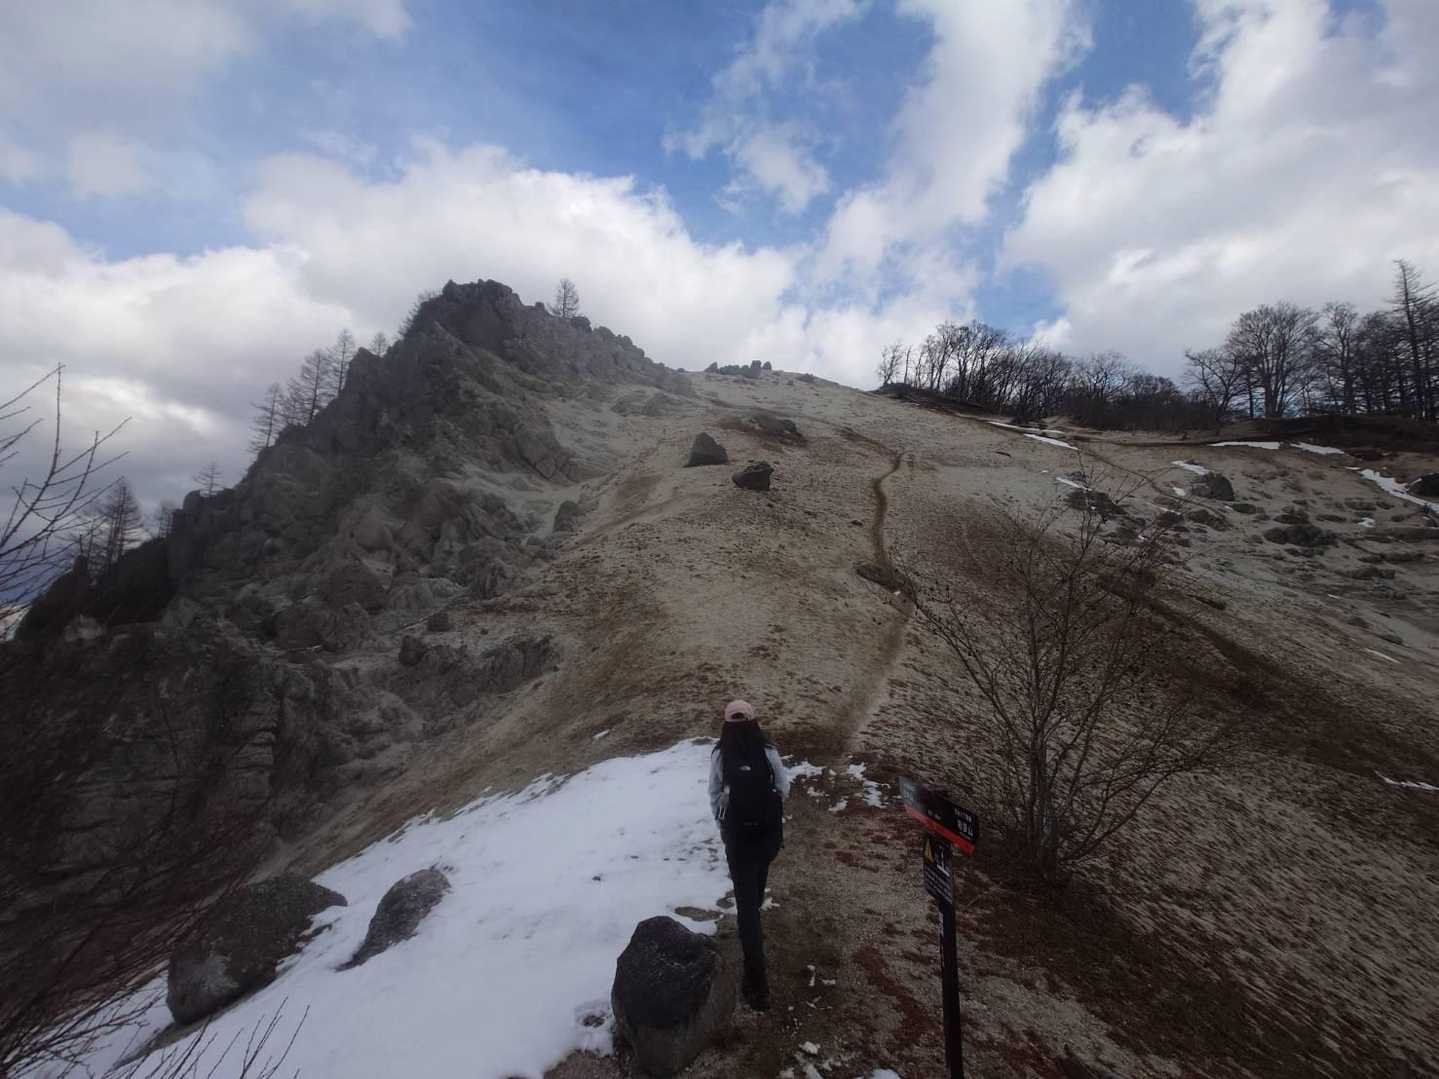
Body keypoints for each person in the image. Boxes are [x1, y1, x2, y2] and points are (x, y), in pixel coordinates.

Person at [708, 699, 790, 1010]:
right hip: (767, 836)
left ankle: (758, 987)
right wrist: (767, 809)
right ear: (753, 720)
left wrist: (723, 825)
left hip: (738, 839)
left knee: (747, 907)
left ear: (726, 723)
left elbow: (714, 793)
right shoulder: (767, 749)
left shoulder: (720, 753)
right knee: (755, 887)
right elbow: (783, 786)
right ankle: (752, 917)